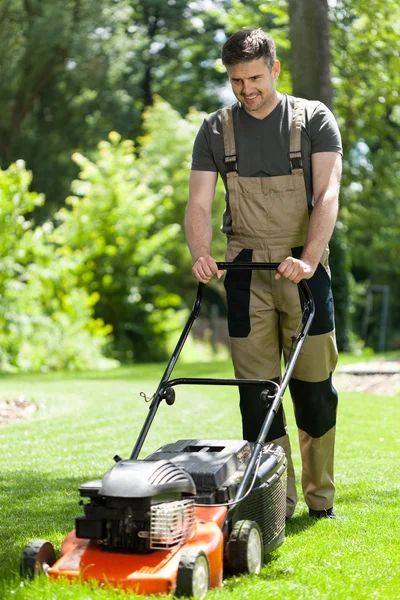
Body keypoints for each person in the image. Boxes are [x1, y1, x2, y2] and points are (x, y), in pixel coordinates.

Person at [185, 28, 342, 519]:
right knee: (257, 397)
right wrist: (202, 251)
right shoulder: (216, 129)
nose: (246, 89)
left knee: (314, 390)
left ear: (274, 69)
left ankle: (320, 501)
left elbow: (328, 195)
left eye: (254, 78)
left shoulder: (313, 119)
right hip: (243, 271)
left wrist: (311, 257)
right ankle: (276, 502)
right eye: (236, 80)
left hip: (303, 269)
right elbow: (197, 202)